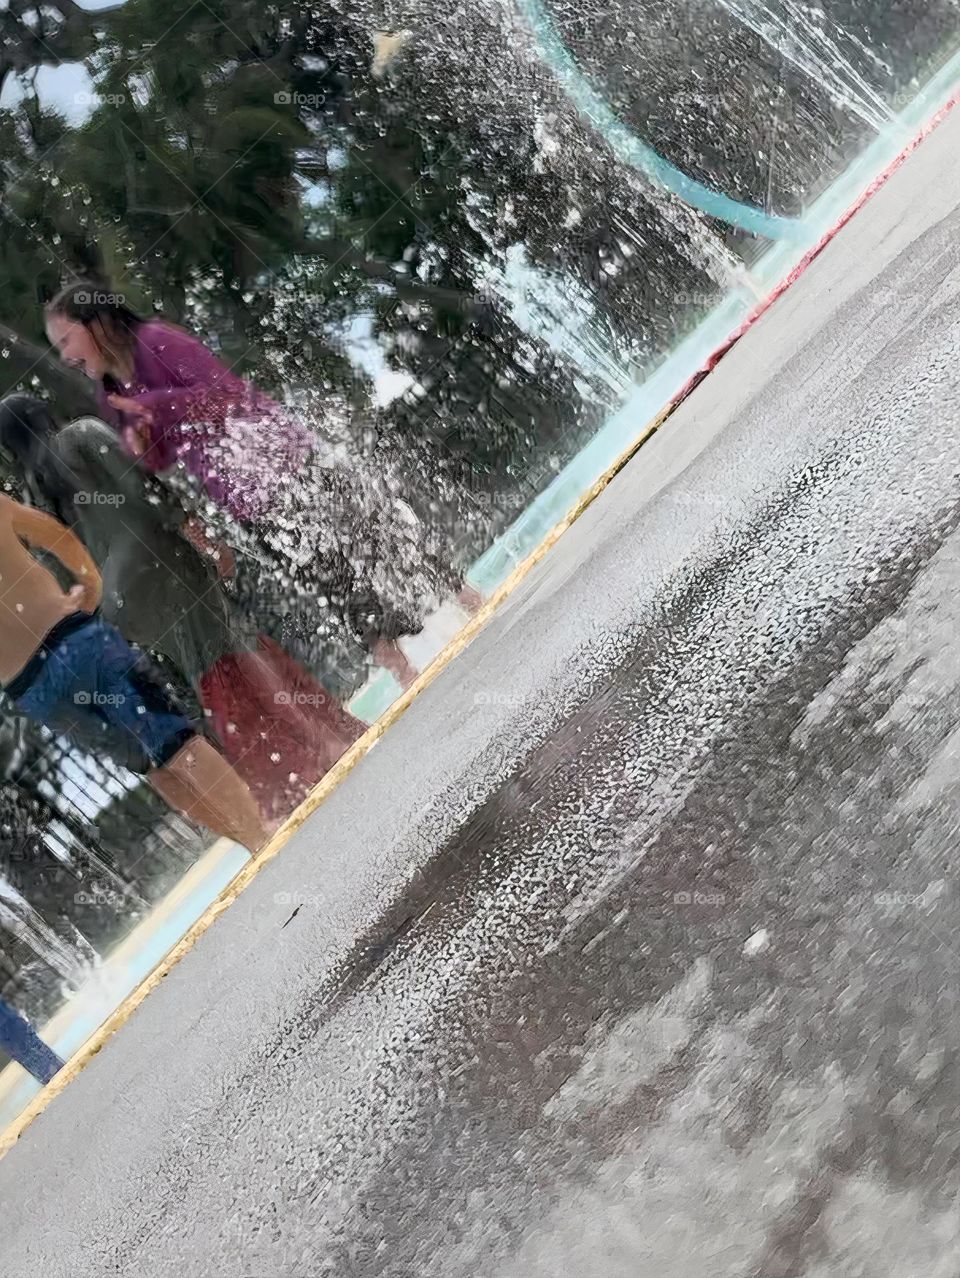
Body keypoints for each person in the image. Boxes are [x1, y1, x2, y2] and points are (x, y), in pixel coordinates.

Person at [44, 282, 476, 688]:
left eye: (65, 340)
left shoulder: (157, 341)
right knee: (329, 579)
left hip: (286, 458)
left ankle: (467, 598)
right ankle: (402, 671)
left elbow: (228, 396)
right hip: (245, 499)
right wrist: (144, 442)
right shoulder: (110, 393)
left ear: (96, 322)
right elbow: (163, 455)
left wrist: (155, 407)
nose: (64, 357)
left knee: (374, 533)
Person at [0, 395, 365, 821]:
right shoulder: (80, 436)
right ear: (43, 414)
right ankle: (318, 751)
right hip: (163, 562)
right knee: (231, 653)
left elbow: (60, 569)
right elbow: (142, 485)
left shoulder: (33, 493)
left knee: (211, 671)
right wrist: (195, 529)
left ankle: (289, 775)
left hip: (123, 608)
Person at [0, 488, 267, 853]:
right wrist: (90, 585)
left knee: (156, 765)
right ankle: (260, 841)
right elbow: (56, 535)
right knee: (172, 749)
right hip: (73, 643)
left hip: (35, 686)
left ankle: (257, 843)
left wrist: (87, 588)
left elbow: (54, 535)